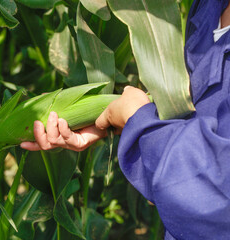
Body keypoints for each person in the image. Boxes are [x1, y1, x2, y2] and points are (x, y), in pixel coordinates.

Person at [21, 0, 230, 239]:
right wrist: (120, 119)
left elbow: (217, 201)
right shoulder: (209, 5)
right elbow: (205, 108)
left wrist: (140, 123)